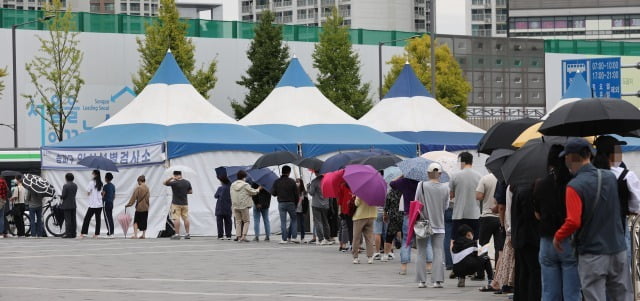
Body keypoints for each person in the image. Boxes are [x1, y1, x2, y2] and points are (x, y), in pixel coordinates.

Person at [553, 138, 632, 301]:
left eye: (566, 157)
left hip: (592, 253)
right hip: (618, 248)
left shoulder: (574, 186)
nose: (565, 161)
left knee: (595, 296)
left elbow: (573, 221)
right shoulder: (609, 178)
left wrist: (559, 236)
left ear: (571, 157)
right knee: (622, 295)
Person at [532, 144, 580, 301]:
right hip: (569, 240)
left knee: (549, 293)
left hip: (547, 241)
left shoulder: (540, 184)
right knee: (572, 293)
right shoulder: (574, 183)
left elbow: (537, 214)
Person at [593, 135, 640, 265]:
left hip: (593, 233)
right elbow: (637, 204)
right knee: (621, 271)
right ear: (612, 154)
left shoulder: (589, 175)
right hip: (619, 227)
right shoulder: (626, 175)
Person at [414, 163, 449, 288]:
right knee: (438, 251)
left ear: (428, 173)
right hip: (439, 223)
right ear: (440, 174)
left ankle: (421, 281)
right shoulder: (446, 187)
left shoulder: (421, 185)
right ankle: (437, 281)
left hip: (423, 223)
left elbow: (417, 202)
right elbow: (446, 206)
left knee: (421, 251)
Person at [390, 175, 419, 275]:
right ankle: (428, 267)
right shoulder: (423, 182)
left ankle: (403, 268)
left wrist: (401, 175)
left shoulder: (404, 181)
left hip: (409, 213)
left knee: (406, 240)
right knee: (426, 241)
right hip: (421, 214)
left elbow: (392, 184)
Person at [475, 173, 504, 268]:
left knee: (483, 245)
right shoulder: (503, 178)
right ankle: (497, 271)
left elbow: (478, 196)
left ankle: (480, 271)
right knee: (499, 246)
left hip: (487, 216)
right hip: (500, 216)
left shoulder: (485, 178)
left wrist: (487, 196)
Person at [452, 224, 494, 288]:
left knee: (462, 260)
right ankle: (491, 280)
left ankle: (461, 278)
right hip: (470, 268)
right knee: (485, 258)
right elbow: (477, 255)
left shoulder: (455, 244)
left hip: (456, 270)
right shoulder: (472, 243)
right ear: (469, 234)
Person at [272, 166, 299, 244]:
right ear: (289, 172)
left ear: (282, 172)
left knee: (283, 221)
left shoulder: (277, 181)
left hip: (281, 203)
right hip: (291, 203)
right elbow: (296, 194)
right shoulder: (292, 181)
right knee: (294, 219)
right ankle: (294, 237)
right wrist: (296, 204)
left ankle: (284, 239)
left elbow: (273, 193)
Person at [230, 170, 260, 242]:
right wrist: (258, 189)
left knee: (238, 221)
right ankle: (243, 236)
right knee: (246, 221)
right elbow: (253, 192)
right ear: (244, 177)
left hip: (235, 206)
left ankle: (238, 236)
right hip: (244, 206)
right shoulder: (245, 185)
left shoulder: (232, 185)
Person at [164, 170, 192, 240]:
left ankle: (177, 234)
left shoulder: (174, 182)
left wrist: (171, 178)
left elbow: (164, 183)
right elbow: (190, 191)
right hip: (185, 203)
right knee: (185, 218)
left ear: (175, 175)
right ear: (181, 174)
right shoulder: (187, 182)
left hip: (176, 203)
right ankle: (187, 233)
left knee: (176, 218)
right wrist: (183, 192)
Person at [351, 196, 377, 264]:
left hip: (360, 216)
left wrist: (354, 197)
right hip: (371, 215)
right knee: (369, 238)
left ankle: (355, 257)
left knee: (356, 237)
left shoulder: (361, 192)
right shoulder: (375, 192)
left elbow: (357, 203)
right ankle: (370, 257)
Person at [309, 172, 332, 245]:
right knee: (325, 222)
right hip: (325, 204)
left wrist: (308, 187)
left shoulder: (314, 181)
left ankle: (321, 239)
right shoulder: (327, 181)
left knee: (318, 222)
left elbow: (311, 192)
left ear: (315, 173)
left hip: (316, 204)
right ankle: (327, 238)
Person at [81, 170, 104, 238]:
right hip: (99, 204)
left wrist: (90, 193)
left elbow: (88, 191)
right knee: (98, 219)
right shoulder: (101, 183)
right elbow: (102, 193)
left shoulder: (91, 182)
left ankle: (84, 233)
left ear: (95, 174)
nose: (92, 174)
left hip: (93, 204)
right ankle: (97, 234)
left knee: (87, 218)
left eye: (93, 173)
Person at [382, 188, 402, 261]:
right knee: (405, 235)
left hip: (393, 216)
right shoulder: (405, 191)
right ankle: (405, 254)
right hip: (404, 216)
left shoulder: (391, 193)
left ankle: (386, 254)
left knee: (389, 236)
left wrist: (385, 215)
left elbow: (386, 206)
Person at [214, 175, 233, 240]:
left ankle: (220, 235)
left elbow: (216, 196)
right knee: (228, 221)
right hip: (228, 207)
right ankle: (228, 235)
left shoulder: (220, 188)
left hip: (220, 207)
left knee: (219, 222)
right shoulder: (231, 188)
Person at [61, 173, 77, 238]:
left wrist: (61, 196)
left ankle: (68, 233)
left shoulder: (65, 186)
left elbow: (64, 195)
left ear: (66, 178)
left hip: (66, 205)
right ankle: (74, 233)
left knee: (68, 220)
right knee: (73, 219)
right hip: (73, 204)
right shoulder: (75, 185)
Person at [102, 172, 116, 238]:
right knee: (110, 217)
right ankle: (111, 232)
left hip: (106, 203)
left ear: (106, 178)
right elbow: (114, 196)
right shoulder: (113, 186)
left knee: (107, 218)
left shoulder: (105, 186)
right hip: (111, 203)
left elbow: (103, 194)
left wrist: (102, 194)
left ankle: (110, 233)